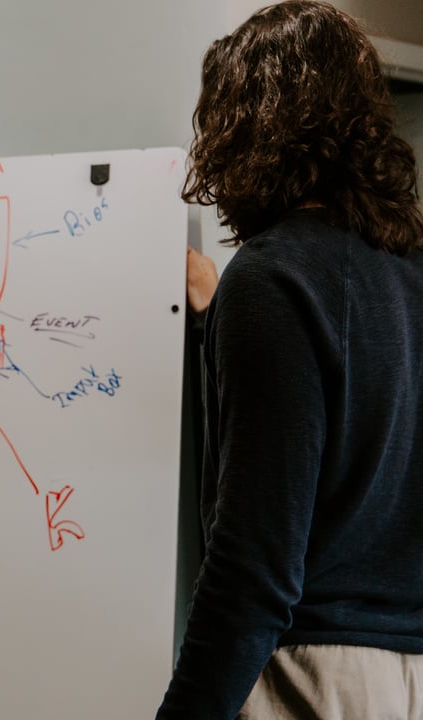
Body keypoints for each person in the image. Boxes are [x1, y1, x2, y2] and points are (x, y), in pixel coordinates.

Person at [157, 2, 423, 718]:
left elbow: (254, 569)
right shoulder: (408, 272)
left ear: (248, 126)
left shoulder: (273, 278)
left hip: (314, 679)